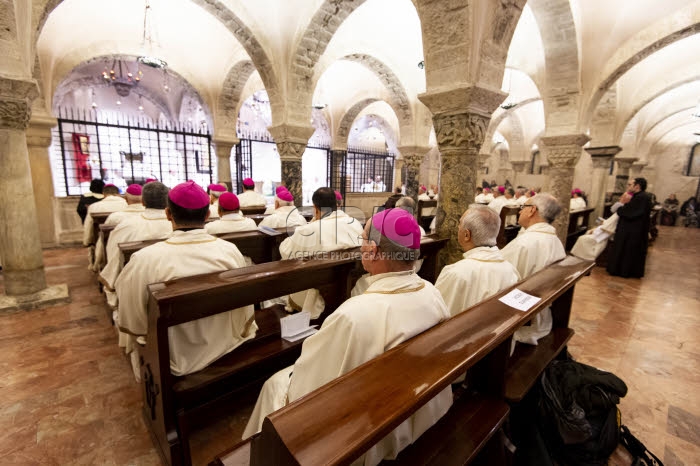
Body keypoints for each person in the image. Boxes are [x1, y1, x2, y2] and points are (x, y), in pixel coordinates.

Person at [243, 209, 452, 466]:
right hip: (420, 407)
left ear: (374, 251)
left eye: (363, 239)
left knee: (274, 385)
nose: (360, 245)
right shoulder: (432, 293)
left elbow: (310, 387)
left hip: (372, 433)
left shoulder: (355, 315)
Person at [115, 181, 256, 378]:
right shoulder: (229, 250)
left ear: (168, 214)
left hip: (174, 356)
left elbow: (132, 318)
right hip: (225, 341)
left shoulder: (144, 259)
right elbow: (244, 304)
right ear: (207, 215)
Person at [279, 187, 364, 317]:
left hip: (316, 288)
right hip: (350, 286)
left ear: (315, 208)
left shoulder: (309, 230)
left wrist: (313, 222)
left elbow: (286, 251)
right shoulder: (354, 223)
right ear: (336, 205)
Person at [501, 193, 566, 346]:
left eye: (523, 207)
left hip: (522, 318)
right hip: (540, 315)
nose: (520, 211)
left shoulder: (525, 243)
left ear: (532, 210)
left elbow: (499, 279)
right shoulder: (554, 240)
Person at [435, 205, 520, 317]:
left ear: (466, 235)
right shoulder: (510, 269)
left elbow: (437, 314)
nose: (458, 228)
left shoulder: (455, 273)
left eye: (459, 224)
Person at [100, 181, 172, 309]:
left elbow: (113, 257)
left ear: (143, 202)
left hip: (135, 287)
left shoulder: (126, 226)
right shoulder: (176, 224)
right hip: (171, 282)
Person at [607, 178, 653, 278]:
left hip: (633, 231)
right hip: (630, 229)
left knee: (629, 251)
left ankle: (624, 271)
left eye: (630, 184)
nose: (628, 186)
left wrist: (620, 209)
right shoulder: (638, 196)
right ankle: (620, 270)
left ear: (637, 186)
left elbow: (631, 212)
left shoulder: (642, 197)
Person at [94, 184, 146, 271]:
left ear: (125, 199)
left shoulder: (114, 217)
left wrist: (97, 262)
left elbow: (103, 240)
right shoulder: (161, 218)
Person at [83, 184, 127, 271]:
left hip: (103, 239)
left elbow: (88, 226)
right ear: (118, 194)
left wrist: (87, 241)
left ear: (104, 194)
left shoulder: (94, 206)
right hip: (126, 238)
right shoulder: (127, 204)